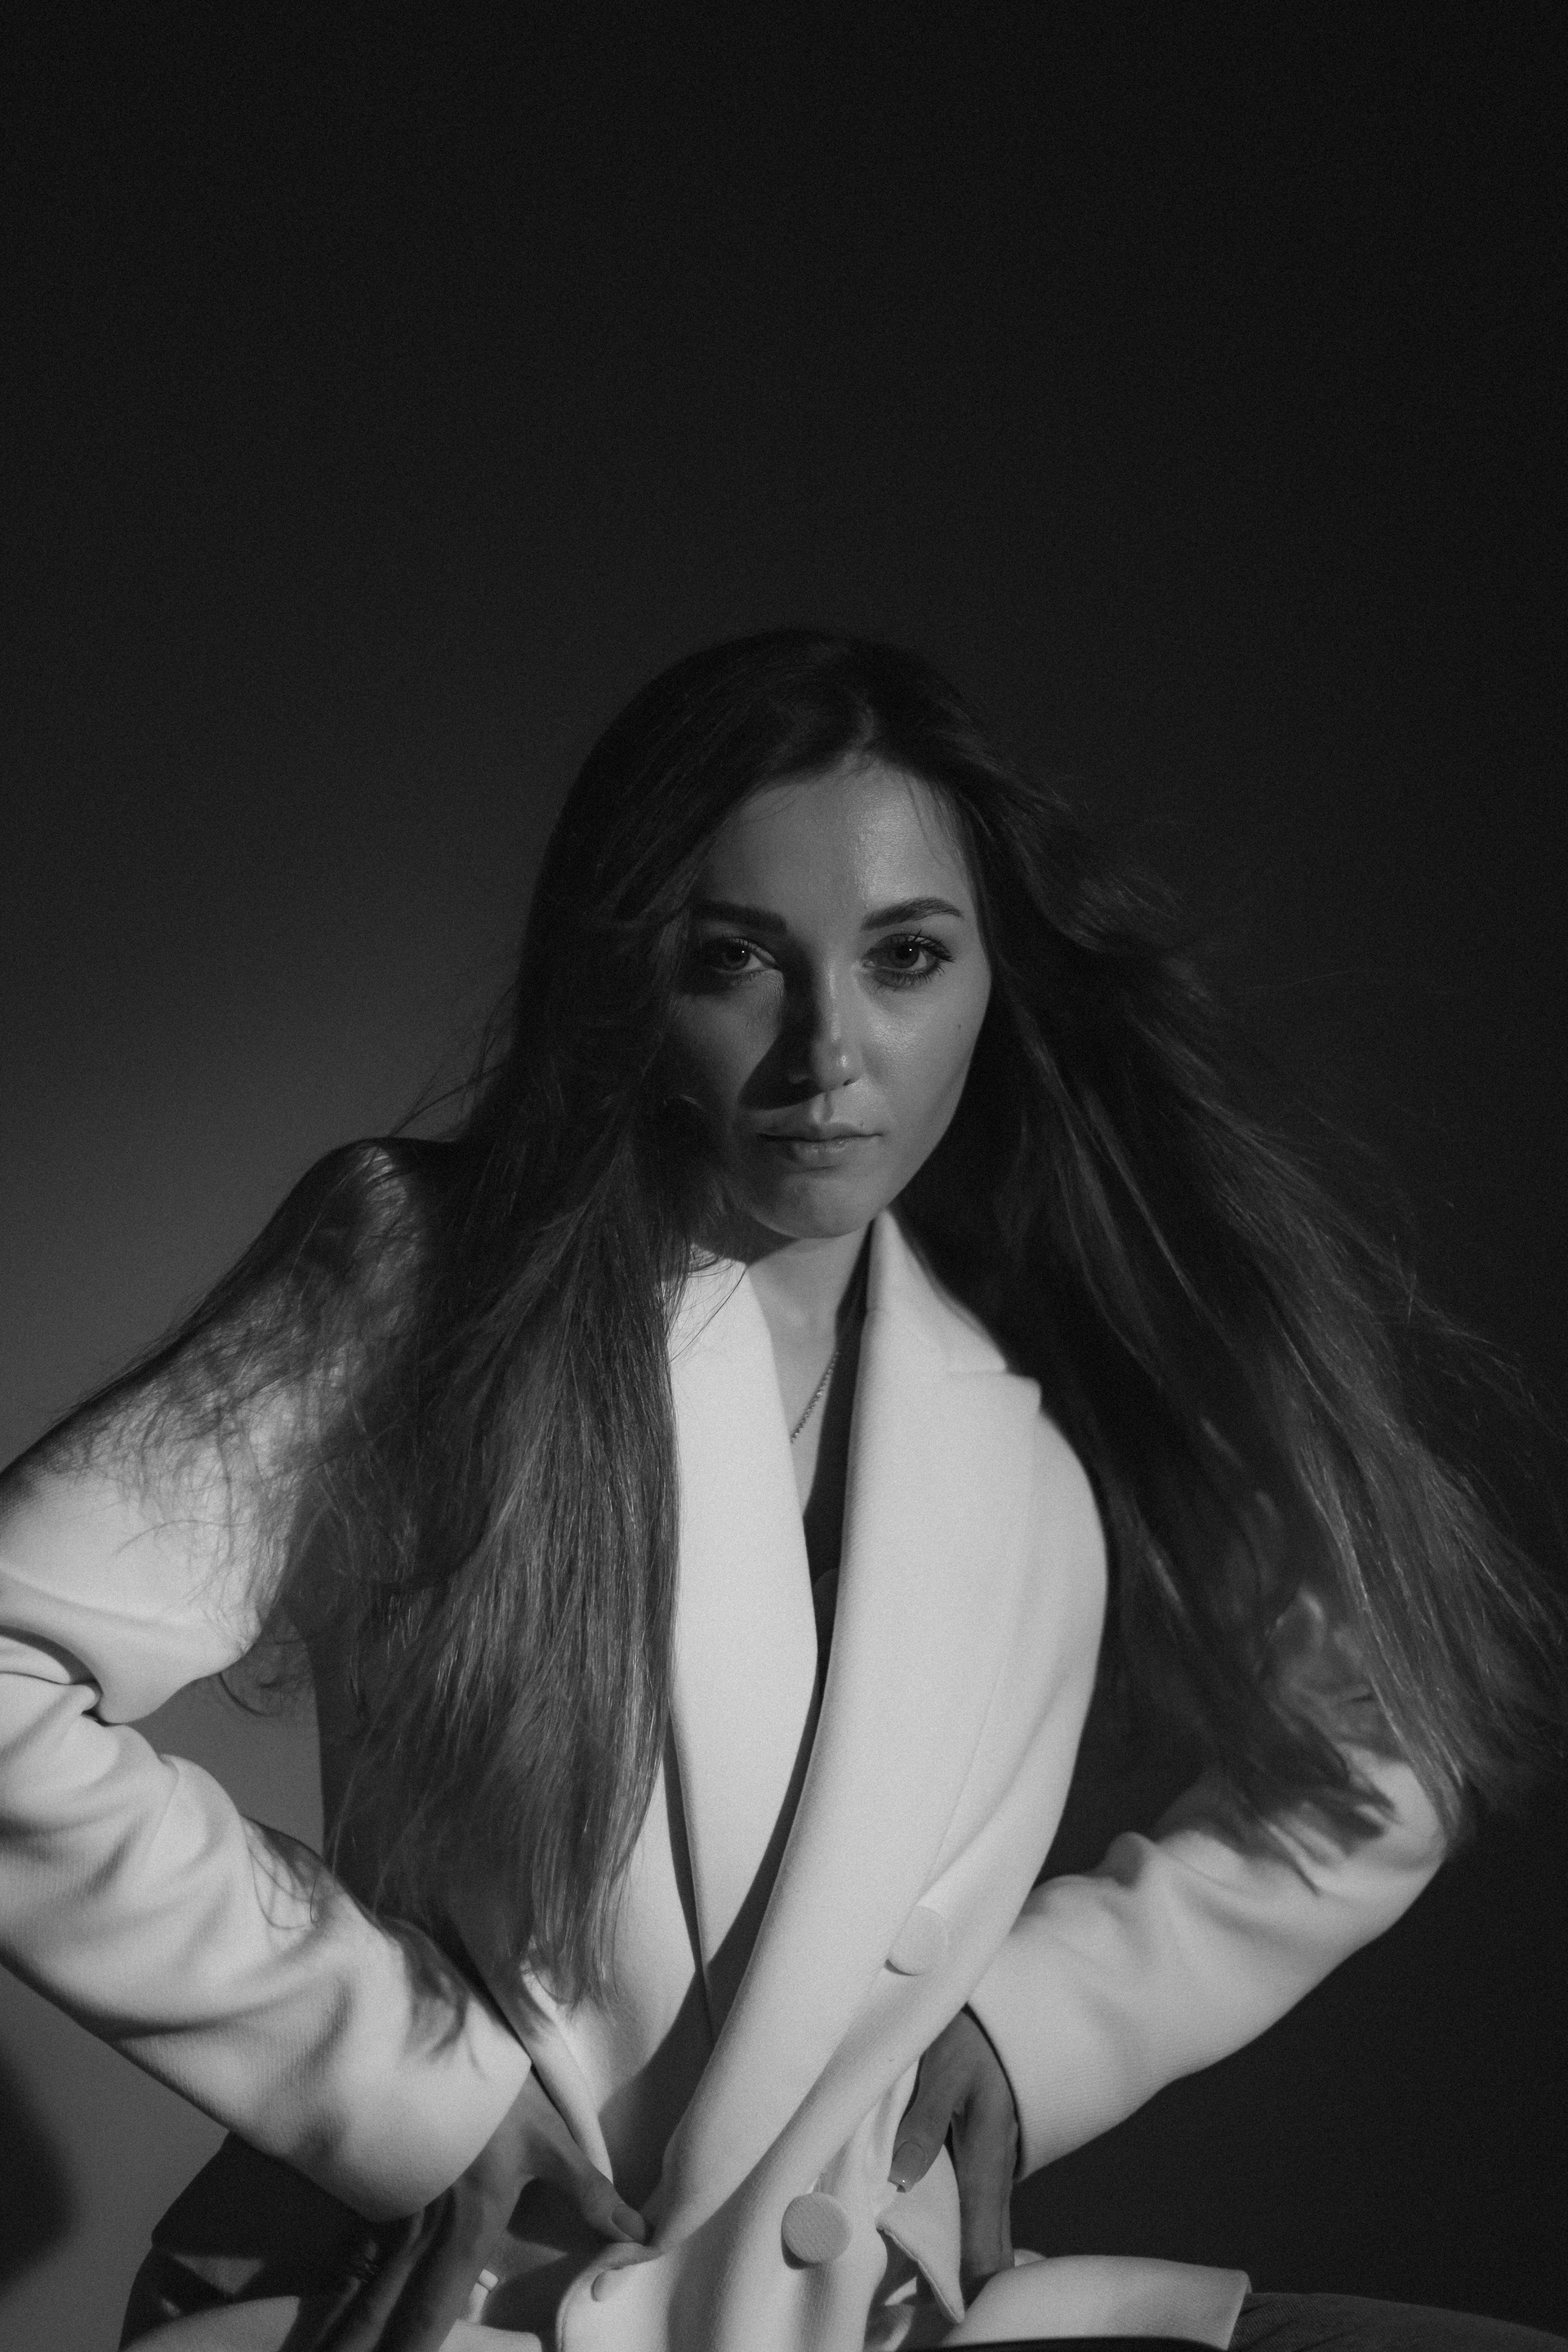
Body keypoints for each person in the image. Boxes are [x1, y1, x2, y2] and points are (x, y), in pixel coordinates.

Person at [0, 631, 1561, 2352]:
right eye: (737, 958)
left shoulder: (1049, 1362)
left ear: (994, 977)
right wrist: (396, 2083)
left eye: (906, 958)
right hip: (499, 2308)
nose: (829, 1050)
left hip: (864, 2308)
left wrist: (1045, 2028)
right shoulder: (436, 1273)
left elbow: (1378, 1748)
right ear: (628, 979)